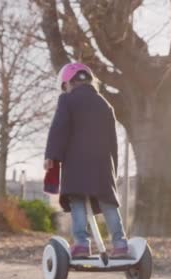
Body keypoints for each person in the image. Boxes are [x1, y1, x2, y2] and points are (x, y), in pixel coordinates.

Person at [44, 62, 128, 258]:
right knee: (108, 202)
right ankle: (120, 244)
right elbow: (112, 140)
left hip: (76, 162)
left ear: (67, 84)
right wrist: (112, 168)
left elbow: (60, 128)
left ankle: (81, 244)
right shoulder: (105, 104)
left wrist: (52, 155)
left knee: (78, 200)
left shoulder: (67, 100)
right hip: (102, 164)